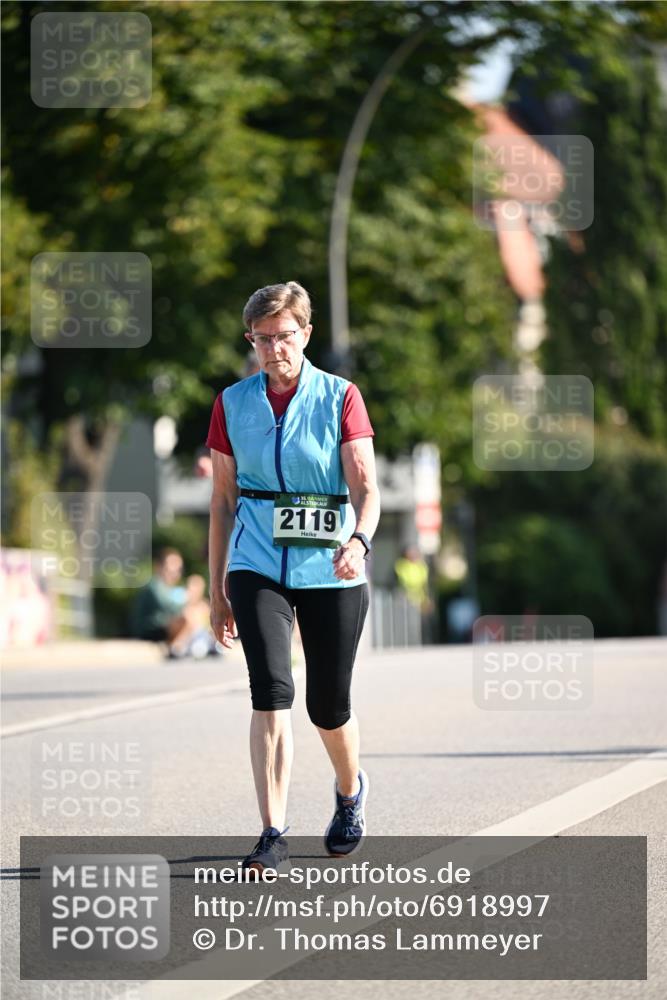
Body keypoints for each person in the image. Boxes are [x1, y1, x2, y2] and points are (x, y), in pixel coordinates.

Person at [207, 280, 380, 873]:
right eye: (261, 339)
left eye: (283, 336)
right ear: (250, 340)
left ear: (306, 334)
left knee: (327, 705)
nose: (273, 349)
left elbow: (366, 489)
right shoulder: (232, 403)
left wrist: (359, 540)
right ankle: (272, 831)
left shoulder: (341, 397)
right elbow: (222, 501)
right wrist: (218, 589)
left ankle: (350, 790)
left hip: (332, 566)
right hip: (257, 563)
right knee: (270, 691)